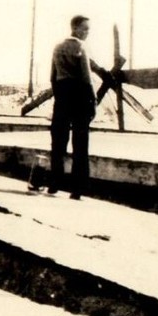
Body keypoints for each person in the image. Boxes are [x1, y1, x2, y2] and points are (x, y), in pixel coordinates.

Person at [47, 15, 107, 199]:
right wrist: (93, 101)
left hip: (62, 96)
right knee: (80, 143)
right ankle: (77, 189)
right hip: (80, 96)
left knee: (58, 142)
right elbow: (87, 78)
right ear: (75, 28)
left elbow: (52, 77)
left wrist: (59, 99)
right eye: (85, 29)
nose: (87, 33)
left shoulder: (57, 47)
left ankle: (54, 184)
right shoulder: (81, 47)